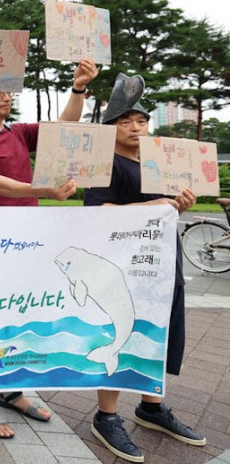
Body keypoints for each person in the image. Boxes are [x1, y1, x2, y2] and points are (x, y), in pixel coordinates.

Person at [0, 58, 98, 438]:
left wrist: (78, 88)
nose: (7, 96)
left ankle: (10, 387)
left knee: (19, 316)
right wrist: (43, 190)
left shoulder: (17, 132)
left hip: (27, 240)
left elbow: (62, 128)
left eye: (8, 91)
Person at [85, 74, 206, 463]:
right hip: (125, 265)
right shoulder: (104, 162)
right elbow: (98, 212)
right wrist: (155, 207)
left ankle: (152, 407)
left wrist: (179, 204)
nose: (135, 128)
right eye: (125, 122)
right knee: (126, 333)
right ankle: (106, 416)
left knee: (161, 332)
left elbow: (169, 205)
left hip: (162, 260)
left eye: (141, 121)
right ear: (110, 127)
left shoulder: (161, 162)